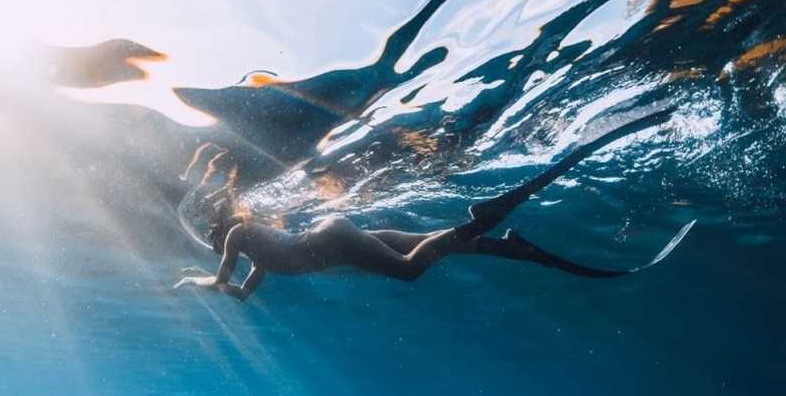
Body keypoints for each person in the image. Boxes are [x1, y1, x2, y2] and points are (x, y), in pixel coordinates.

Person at [175, 109, 694, 301]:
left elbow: (223, 280)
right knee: (439, 249)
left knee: (408, 272)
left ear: (218, 230)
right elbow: (241, 292)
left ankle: (487, 217)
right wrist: (225, 290)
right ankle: (508, 247)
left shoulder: (242, 239)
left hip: (334, 239)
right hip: (338, 238)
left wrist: (195, 283)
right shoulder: (257, 254)